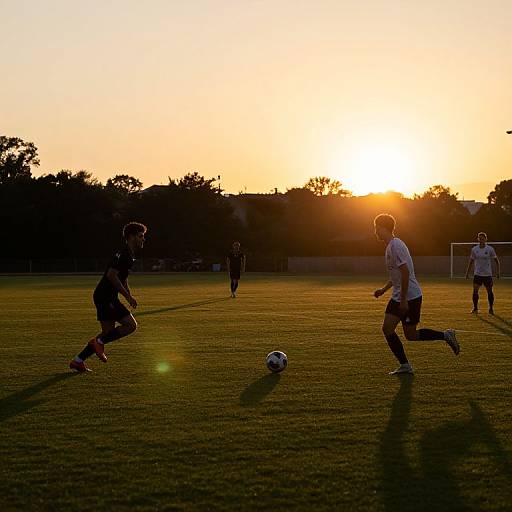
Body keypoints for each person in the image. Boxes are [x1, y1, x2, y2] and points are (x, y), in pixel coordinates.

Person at [373, 214, 460, 375]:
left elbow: (405, 273)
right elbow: (396, 276)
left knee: (411, 335)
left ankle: (446, 335)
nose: (375, 231)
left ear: (383, 228)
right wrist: (383, 290)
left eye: (376, 228)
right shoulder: (390, 246)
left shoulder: (396, 246)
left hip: (410, 296)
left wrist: (404, 300)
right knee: (387, 328)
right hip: (398, 295)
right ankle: (405, 365)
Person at [69, 222, 147, 372]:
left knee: (107, 333)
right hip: (106, 297)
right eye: (140, 236)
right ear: (131, 237)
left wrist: (129, 295)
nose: (143, 239)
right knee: (131, 326)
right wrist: (127, 297)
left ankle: (78, 361)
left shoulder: (129, 254)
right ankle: (99, 342)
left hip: (105, 296)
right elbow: (112, 275)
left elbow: (123, 278)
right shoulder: (124, 254)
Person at [465, 232, 500, 315]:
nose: (481, 240)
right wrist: (467, 273)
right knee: (475, 291)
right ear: (478, 239)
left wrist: (498, 272)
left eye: (483, 238)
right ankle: (475, 308)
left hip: (487, 274)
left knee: (490, 292)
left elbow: (496, 261)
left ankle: (491, 308)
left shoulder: (490, 249)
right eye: (479, 238)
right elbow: (471, 261)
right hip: (477, 274)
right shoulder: (474, 249)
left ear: (486, 239)